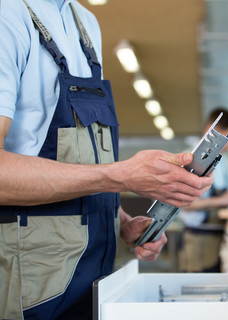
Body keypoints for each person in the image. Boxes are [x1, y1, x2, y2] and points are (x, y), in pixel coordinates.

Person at [0, 1, 213, 319]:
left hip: (97, 274)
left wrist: (120, 219)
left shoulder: (85, 22)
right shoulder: (8, 14)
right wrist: (122, 175)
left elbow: (83, 165)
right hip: (33, 282)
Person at [178, 108, 228, 272]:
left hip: (215, 237)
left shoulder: (222, 160)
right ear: (212, 131)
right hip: (198, 239)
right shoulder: (192, 158)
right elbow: (183, 204)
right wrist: (222, 200)